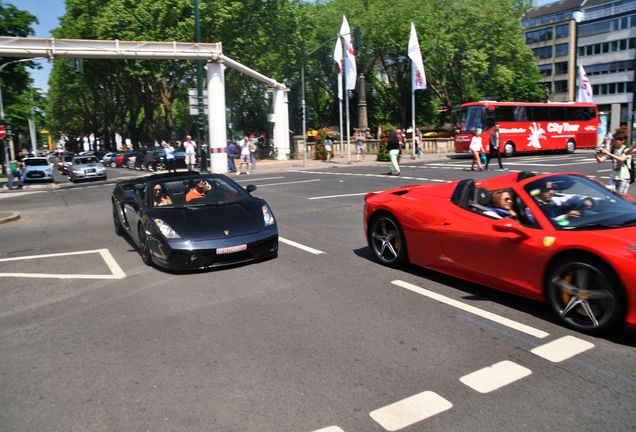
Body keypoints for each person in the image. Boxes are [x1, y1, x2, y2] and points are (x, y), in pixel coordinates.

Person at [595, 129, 631, 195]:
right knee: (609, 195)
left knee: (620, 198)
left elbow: (621, 159)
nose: (613, 142)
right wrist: (596, 155)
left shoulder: (627, 150)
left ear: (623, 141)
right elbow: (600, 160)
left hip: (623, 178)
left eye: (615, 140)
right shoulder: (613, 150)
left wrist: (608, 153)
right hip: (613, 177)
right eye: (613, 140)